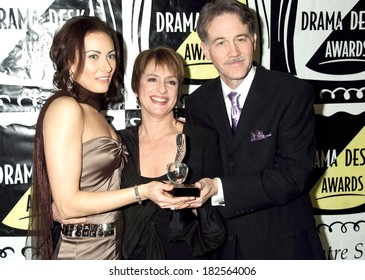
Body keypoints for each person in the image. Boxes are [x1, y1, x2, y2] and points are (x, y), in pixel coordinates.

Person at [27, 16, 192, 260]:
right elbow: (67, 205)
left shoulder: (94, 112)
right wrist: (143, 192)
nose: (107, 67)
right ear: (71, 61)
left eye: (111, 55)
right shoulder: (66, 108)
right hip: (80, 252)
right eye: (93, 56)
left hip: (112, 249)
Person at [184, 0, 325, 259]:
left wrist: (219, 188)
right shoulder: (197, 103)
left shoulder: (291, 93)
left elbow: (293, 176)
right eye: (220, 42)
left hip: (285, 248)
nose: (233, 51)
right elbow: (200, 172)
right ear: (205, 50)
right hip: (222, 249)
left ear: (255, 40)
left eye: (240, 39)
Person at [118, 46, 226, 259]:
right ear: (136, 87)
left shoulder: (202, 139)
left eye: (171, 81)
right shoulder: (119, 143)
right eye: (152, 79)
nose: (162, 89)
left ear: (179, 91)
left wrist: (198, 199)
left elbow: (219, 207)